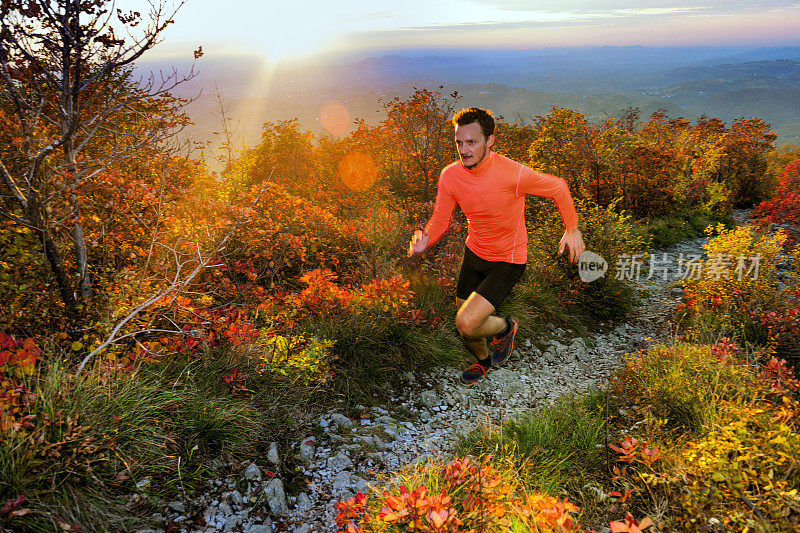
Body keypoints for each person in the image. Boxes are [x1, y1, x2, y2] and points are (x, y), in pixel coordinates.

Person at [407, 107, 585, 385]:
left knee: (466, 322)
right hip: (475, 252)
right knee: (468, 326)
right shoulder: (451, 175)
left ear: (490, 141)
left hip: (508, 260)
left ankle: (505, 326)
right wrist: (426, 239)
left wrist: (571, 228)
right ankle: (484, 362)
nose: (464, 150)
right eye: (459, 142)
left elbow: (558, 187)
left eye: (472, 142)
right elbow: (440, 218)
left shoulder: (513, 174)